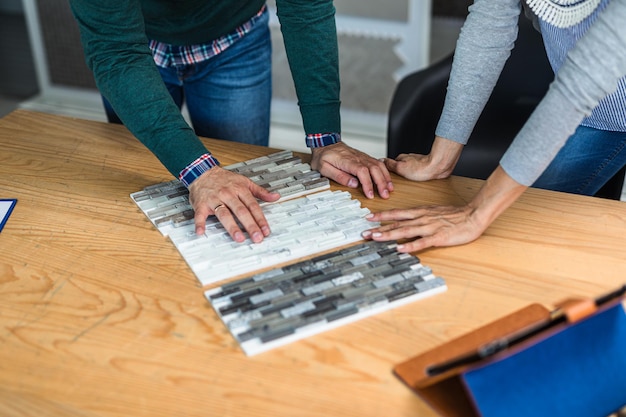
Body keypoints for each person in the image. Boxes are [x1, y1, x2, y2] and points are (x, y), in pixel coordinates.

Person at [68, 1, 393, 244]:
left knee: (242, 184)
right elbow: (115, 51)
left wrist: (325, 138)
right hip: (133, 48)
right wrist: (199, 172)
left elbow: (306, 7)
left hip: (234, 39)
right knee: (145, 194)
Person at [363, 0, 626, 252]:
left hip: (587, 91)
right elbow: (490, 24)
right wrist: (440, 159)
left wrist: (475, 214)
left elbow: (586, 77)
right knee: (513, 225)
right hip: (599, 113)